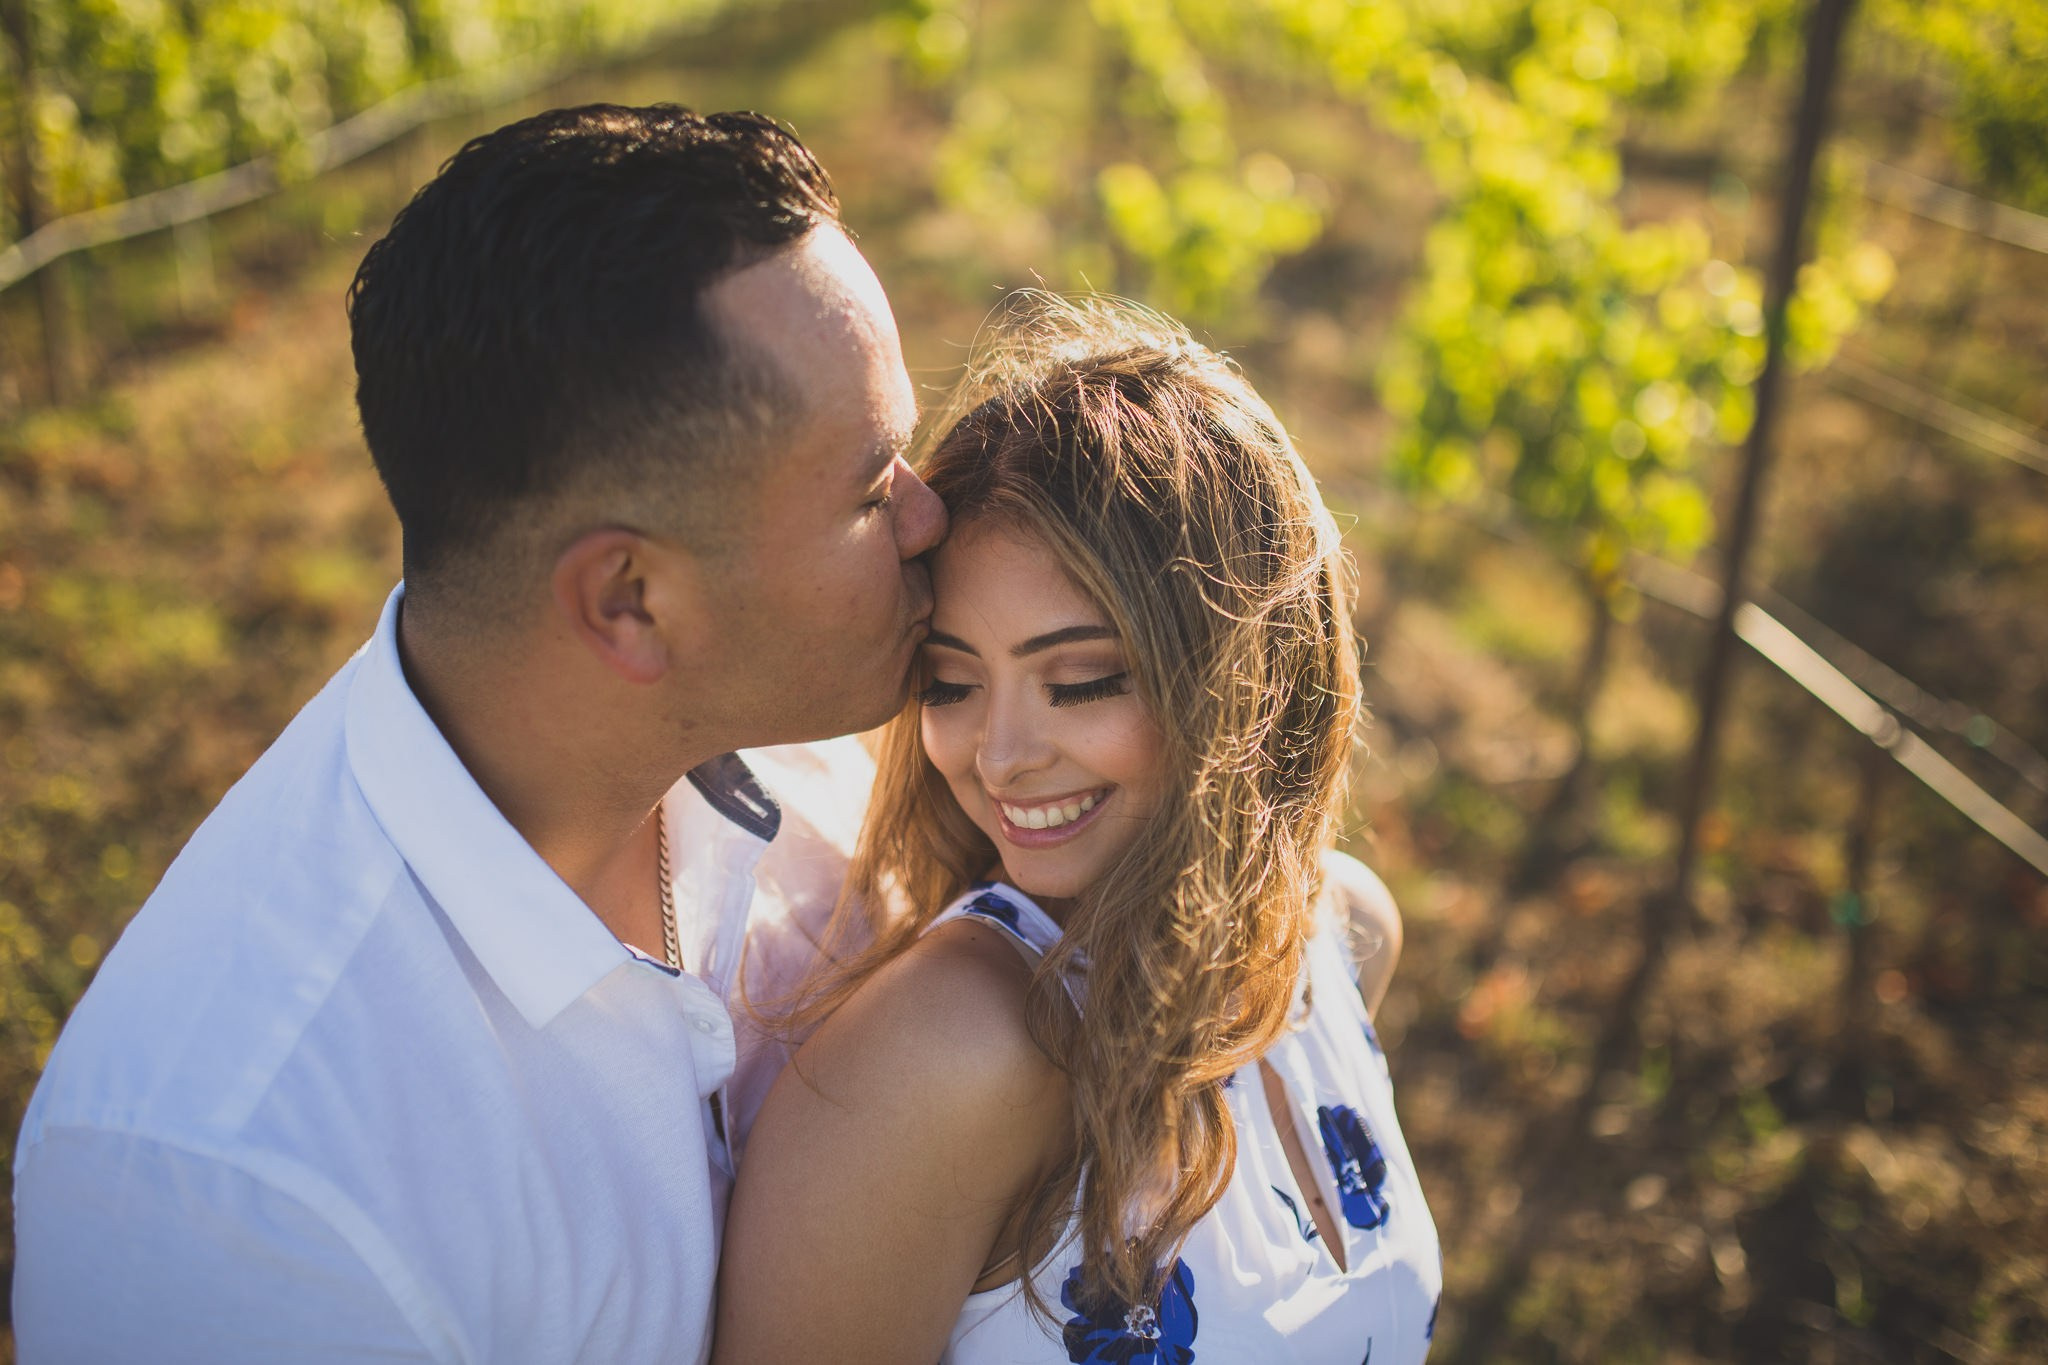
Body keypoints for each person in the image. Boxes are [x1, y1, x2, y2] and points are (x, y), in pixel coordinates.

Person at [11, 104, 944, 1361]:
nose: (929, 516)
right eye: (871, 485)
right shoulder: (239, 1190)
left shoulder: (811, 732)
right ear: (631, 602)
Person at [713, 297, 1443, 1364]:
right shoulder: (940, 1059)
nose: (999, 755)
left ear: (1248, 673)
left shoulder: (1340, 933)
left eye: (1080, 681)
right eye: (950, 681)